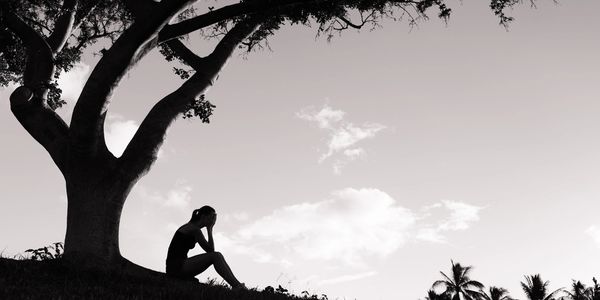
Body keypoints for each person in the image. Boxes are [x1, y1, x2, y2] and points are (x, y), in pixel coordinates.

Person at [166, 205, 245, 289]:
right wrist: (210, 229)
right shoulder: (194, 229)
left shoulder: (193, 228)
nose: (213, 221)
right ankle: (237, 286)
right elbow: (210, 250)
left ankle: (237, 285)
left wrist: (209, 228)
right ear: (203, 216)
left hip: (179, 265)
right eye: (211, 218)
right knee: (216, 256)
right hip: (176, 266)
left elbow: (210, 250)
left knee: (216, 255)